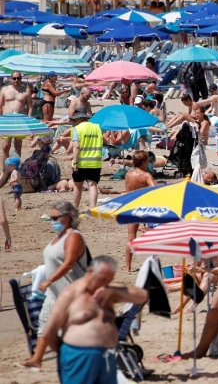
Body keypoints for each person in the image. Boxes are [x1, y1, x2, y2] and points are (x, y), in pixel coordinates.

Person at [41, 255, 147, 384]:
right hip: (78, 356)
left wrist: (112, 290)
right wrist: (67, 353)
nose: (105, 283)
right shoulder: (71, 294)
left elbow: (142, 296)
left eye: (109, 280)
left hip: (107, 355)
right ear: (90, 272)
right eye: (103, 279)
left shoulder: (107, 292)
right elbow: (49, 332)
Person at [17, 201, 89, 370]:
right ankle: (37, 359)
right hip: (54, 292)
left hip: (70, 291)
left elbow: (69, 263)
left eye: (55, 217)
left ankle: (73, 360)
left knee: (63, 331)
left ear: (68, 217)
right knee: (44, 327)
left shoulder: (74, 236)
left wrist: (49, 280)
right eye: (51, 217)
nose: (52, 221)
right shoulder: (59, 237)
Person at [124, 151, 156, 272]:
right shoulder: (146, 175)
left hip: (131, 206)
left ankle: (127, 267)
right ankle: (152, 262)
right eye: (147, 161)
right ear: (143, 162)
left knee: (131, 237)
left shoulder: (128, 174)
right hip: (144, 207)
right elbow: (155, 190)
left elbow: (128, 190)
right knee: (152, 233)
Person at [70, 112, 103, 209]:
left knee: (78, 186)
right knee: (92, 185)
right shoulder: (97, 127)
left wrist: (75, 161)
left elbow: (76, 146)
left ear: (78, 119)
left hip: (81, 162)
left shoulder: (77, 129)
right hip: (95, 162)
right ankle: (93, 208)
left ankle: (75, 208)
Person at [0, 71, 33, 162]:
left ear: (21, 79)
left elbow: (30, 107)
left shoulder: (26, 90)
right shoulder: (4, 89)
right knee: (5, 146)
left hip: (20, 121)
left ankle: (15, 170)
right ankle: (4, 171)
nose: (16, 80)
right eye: (14, 78)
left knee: (18, 147)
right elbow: (0, 105)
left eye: (18, 78)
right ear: (11, 79)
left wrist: (29, 121)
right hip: (7, 120)